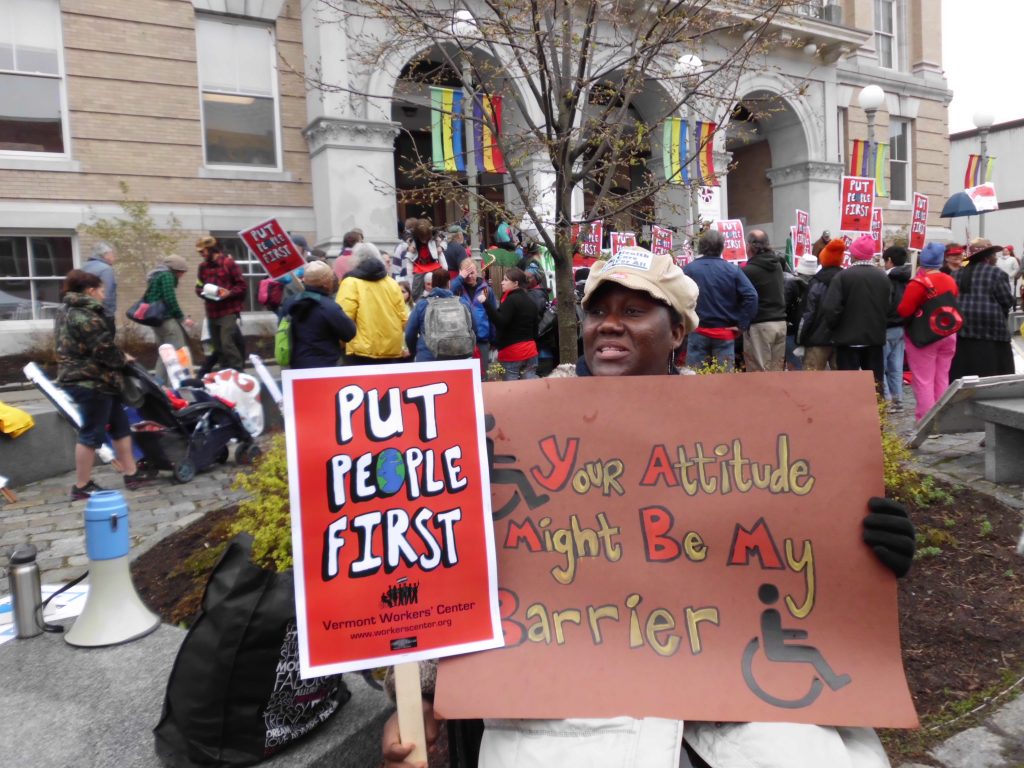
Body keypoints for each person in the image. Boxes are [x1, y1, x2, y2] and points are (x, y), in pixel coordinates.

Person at [381, 247, 915, 768]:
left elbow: (798, 560)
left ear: (678, 330)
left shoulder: (748, 433)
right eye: (597, 311)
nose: (608, 325)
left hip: (748, 718)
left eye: (634, 311)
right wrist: (422, 693)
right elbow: (445, 571)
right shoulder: (511, 433)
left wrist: (866, 556)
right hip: (564, 722)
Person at [55, 270, 153, 500]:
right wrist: (123, 359)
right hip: (91, 381)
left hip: (93, 380)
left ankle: (132, 473)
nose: (103, 294)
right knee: (91, 433)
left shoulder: (65, 311)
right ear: (89, 291)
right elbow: (103, 350)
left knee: (119, 426)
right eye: (100, 290)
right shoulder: (86, 316)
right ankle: (82, 486)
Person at [821, 235, 893, 391]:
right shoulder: (883, 277)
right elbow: (889, 306)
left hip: (848, 339)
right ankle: (877, 413)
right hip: (874, 338)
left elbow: (831, 308)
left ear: (854, 254)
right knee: (875, 384)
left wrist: (834, 328)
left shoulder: (843, 276)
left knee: (849, 386)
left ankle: (851, 414)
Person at [897, 242, 959, 421]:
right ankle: (942, 417)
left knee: (923, 380)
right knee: (942, 377)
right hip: (948, 333)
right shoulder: (950, 280)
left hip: (925, 336)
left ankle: (927, 421)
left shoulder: (919, 283)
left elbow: (904, 310)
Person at [682, 228, 758, 371]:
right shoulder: (732, 270)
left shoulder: (689, 270)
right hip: (724, 333)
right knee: (724, 380)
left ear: (701, 246)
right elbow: (751, 296)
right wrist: (742, 324)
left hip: (698, 330)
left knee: (694, 378)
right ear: (722, 247)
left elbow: (678, 295)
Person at [948, 238, 1015, 381]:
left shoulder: (956, 273)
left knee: (964, 369)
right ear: (987, 257)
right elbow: (1006, 300)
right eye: (993, 254)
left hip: (962, 327)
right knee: (991, 372)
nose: (995, 257)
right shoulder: (996, 273)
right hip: (991, 330)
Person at [335, 242, 409, 364]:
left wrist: (341, 344)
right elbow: (403, 317)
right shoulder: (392, 283)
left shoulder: (350, 283)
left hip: (359, 351)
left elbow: (343, 319)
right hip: (390, 350)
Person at [282, 261, 356, 370]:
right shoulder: (330, 307)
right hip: (325, 367)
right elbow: (349, 333)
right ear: (326, 283)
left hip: (296, 365)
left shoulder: (289, 303)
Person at [194, 235, 246, 372]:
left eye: (203, 251)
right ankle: (224, 371)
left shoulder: (228, 263)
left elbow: (242, 286)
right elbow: (198, 287)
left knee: (227, 342)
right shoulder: (202, 267)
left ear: (212, 249)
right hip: (211, 312)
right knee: (218, 346)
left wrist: (229, 293)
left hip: (228, 311)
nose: (201, 255)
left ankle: (238, 371)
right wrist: (203, 292)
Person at [480, 267, 539, 380]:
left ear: (516, 283)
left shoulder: (511, 300)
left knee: (512, 389)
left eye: (506, 280)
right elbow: (535, 330)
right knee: (530, 388)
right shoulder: (530, 301)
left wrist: (486, 303)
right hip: (531, 351)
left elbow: (500, 322)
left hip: (513, 353)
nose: (502, 282)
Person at [405, 268, 476, 362]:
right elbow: (474, 329)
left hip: (428, 357)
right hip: (459, 358)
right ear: (449, 283)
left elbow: (410, 333)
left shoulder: (422, 305)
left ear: (432, 284)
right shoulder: (463, 302)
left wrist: (414, 351)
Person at [143, 254, 194, 384]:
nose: (183, 275)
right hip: (166, 320)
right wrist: (182, 318)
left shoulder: (156, 275)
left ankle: (159, 384)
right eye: (182, 272)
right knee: (177, 351)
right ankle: (181, 384)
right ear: (176, 270)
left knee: (164, 353)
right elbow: (170, 299)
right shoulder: (167, 276)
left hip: (156, 320)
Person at [740, 230, 787, 372]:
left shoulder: (748, 271)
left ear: (749, 246)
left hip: (760, 326)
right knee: (776, 372)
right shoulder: (777, 265)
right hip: (780, 323)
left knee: (759, 374)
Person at [797, 239, 845, 371]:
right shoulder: (847, 280)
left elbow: (808, 314)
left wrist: (800, 339)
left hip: (816, 339)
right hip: (842, 339)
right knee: (842, 381)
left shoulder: (816, 282)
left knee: (812, 381)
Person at [451, 257, 498, 378]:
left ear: (477, 272)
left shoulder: (487, 290)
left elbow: (493, 315)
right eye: (467, 274)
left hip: (482, 338)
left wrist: (494, 339)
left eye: (472, 273)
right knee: (464, 377)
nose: (470, 276)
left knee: (482, 376)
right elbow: (447, 292)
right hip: (463, 340)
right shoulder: (458, 289)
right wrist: (460, 278)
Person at [882, 246, 912, 410]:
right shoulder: (907, 278)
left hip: (886, 326)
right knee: (896, 366)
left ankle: (887, 400)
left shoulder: (887, 279)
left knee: (882, 365)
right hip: (901, 327)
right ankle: (898, 398)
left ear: (889, 261)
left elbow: (885, 304)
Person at [404, 219, 443, 301]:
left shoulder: (435, 236)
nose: (424, 240)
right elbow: (407, 236)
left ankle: (439, 298)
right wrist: (409, 246)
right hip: (420, 266)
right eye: (422, 238)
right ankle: (417, 302)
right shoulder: (413, 239)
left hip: (433, 264)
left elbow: (443, 241)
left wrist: (440, 246)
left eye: (426, 237)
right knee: (416, 287)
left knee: (438, 282)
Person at [82, 241, 118, 316]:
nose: (114, 257)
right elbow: (108, 293)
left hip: (85, 311)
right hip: (102, 313)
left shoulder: (83, 266)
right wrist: (109, 314)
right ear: (105, 254)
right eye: (112, 254)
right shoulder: (106, 269)